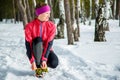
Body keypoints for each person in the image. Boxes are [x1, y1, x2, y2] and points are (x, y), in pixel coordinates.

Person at [24, 2, 59, 77]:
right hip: (34, 49)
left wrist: (44, 59)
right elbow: (28, 45)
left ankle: (43, 65)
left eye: (49, 13)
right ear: (39, 13)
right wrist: (32, 61)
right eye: (47, 13)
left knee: (54, 63)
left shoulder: (52, 26)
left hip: (46, 49)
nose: (49, 16)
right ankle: (38, 67)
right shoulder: (29, 27)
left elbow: (49, 44)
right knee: (38, 40)